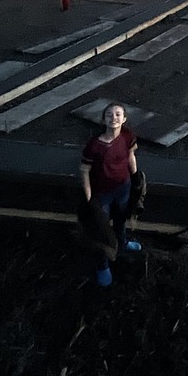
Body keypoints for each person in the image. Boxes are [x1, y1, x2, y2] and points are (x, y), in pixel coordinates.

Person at [79, 102, 142, 287]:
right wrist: (89, 198)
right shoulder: (94, 145)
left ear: (124, 119)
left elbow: (130, 155)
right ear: (103, 120)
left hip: (123, 187)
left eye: (117, 114)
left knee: (121, 218)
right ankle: (102, 265)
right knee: (101, 231)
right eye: (109, 115)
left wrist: (135, 177)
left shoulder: (127, 136)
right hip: (102, 193)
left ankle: (122, 243)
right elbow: (84, 170)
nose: (113, 118)